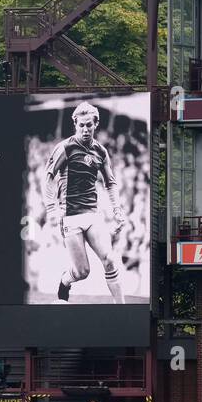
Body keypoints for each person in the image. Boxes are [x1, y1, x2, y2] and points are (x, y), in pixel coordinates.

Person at [45, 101, 128, 303]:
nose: (85, 129)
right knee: (82, 272)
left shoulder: (101, 152)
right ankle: (65, 282)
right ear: (75, 124)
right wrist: (51, 209)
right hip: (69, 216)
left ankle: (123, 309)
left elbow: (110, 183)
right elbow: (48, 178)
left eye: (89, 125)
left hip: (92, 214)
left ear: (95, 124)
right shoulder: (64, 148)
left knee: (109, 260)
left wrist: (117, 210)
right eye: (81, 125)